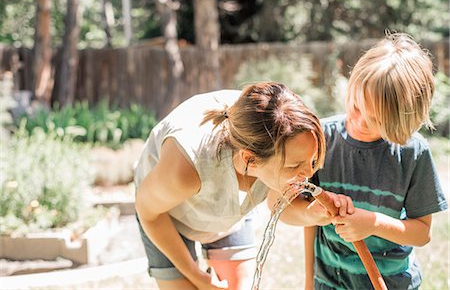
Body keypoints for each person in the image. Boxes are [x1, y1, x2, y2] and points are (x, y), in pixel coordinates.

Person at [134, 82, 353, 290]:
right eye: (296, 166)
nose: (308, 174)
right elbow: (149, 214)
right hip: (166, 218)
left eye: (312, 161)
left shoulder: (282, 134)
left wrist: (311, 214)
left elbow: (279, 205)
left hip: (226, 214)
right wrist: (197, 277)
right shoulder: (186, 169)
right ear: (250, 160)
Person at [300, 33, 448, 289]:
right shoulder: (322, 139)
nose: (359, 120)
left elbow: (422, 233)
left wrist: (373, 224)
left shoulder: (413, 153)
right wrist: (308, 281)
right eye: (356, 106)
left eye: (375, 120)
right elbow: (307, 222)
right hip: (329, 282)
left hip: (392, 283)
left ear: (401, 121)